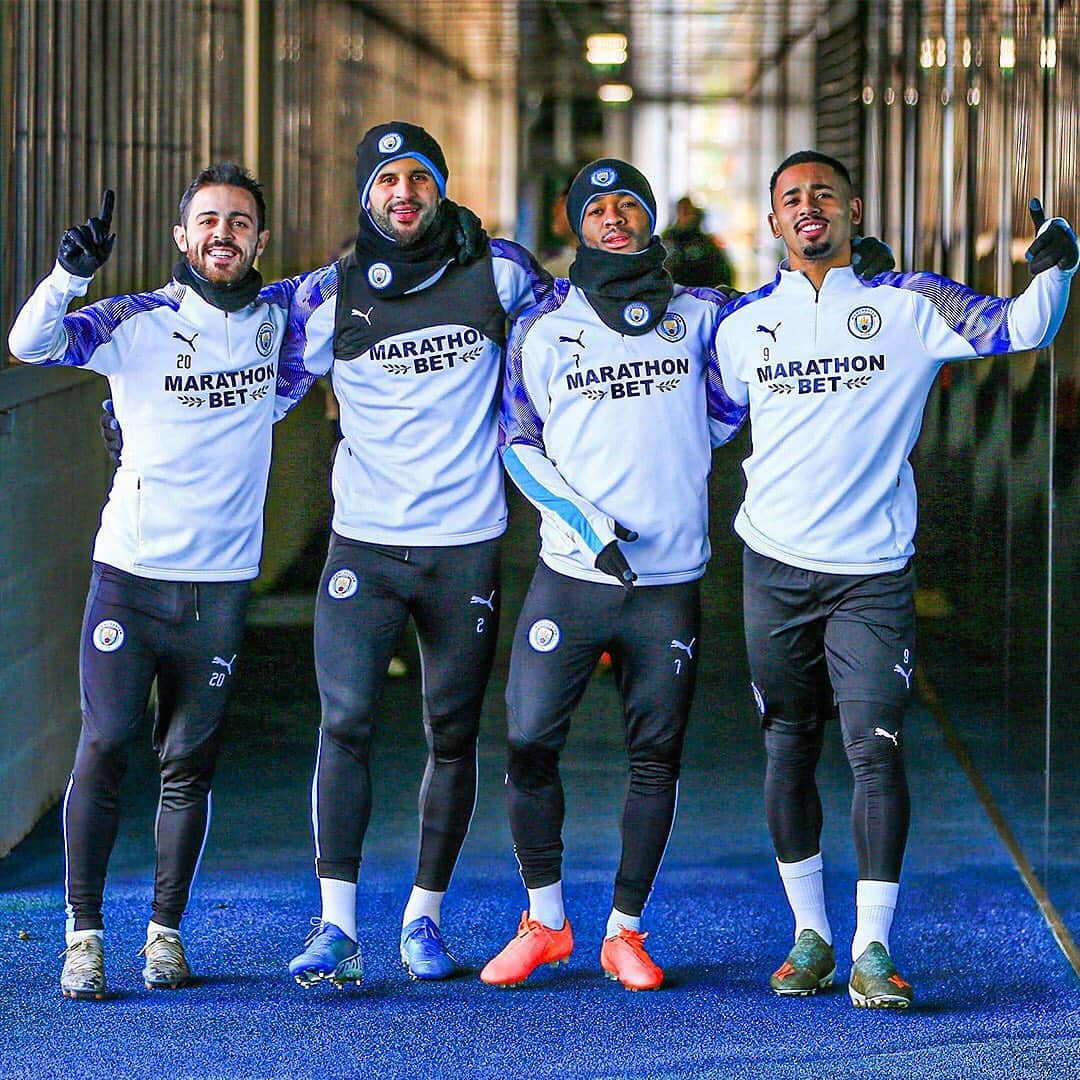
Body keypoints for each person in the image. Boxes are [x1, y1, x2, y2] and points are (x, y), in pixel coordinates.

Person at [714, 150, 1077, 1008]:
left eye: (824, 196)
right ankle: (811, 938)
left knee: (874, 749)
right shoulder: (740, 325)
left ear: (853, 210)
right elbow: (704, 421)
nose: (809, 209)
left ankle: (872, 950)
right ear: (773, 223)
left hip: (869, 575)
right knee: (787, 745)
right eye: (792, 199)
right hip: (771, 566)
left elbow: (1021, 327)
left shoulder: (908, 306)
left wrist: (1057, 265)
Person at [7, 164, 317, 1000]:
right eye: (208, 220)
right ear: (183, 238)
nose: (225, 233)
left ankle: (165, 935)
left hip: (218, 590)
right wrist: (71, 272)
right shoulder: (134, 321)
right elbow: (28, 344)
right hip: (132, 579)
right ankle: (83, 936)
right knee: (106, 745)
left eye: (241, 221)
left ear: (258, 238)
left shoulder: (276, 321)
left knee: (188, 762)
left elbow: (361, 284)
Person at [283, 122, 552, 988]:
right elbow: (257, 377)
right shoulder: (329, 295)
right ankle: (335, 926)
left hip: (464, 548)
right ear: (366, 194)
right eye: (387, 179)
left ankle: (423, 919)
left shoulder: (499, 270)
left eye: (420, 179)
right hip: (364, 544)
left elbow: (578, 341)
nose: (404, 192)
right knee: (347, 721)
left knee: (452, 733)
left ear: (441, 188)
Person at [480, 159, 747, 992]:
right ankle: (546, 921)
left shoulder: (700, 314)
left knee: (654, 755)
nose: (614, 217)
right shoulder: (544, 326)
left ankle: (624, 932)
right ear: (575, 226)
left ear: (650, 217)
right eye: (596, 208)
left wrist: (866, 288)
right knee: (527, 743)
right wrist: (592, 529)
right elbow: (518, 443)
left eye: (628, 203)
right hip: (573, 576)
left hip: (668, 583)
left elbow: (739, 390)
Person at [661, 195, 735, 289]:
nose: (685, 215)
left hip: (701, 293)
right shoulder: (667, 240)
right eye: (683, 211)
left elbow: (721, 271)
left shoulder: (705, 243)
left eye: (688, 212)